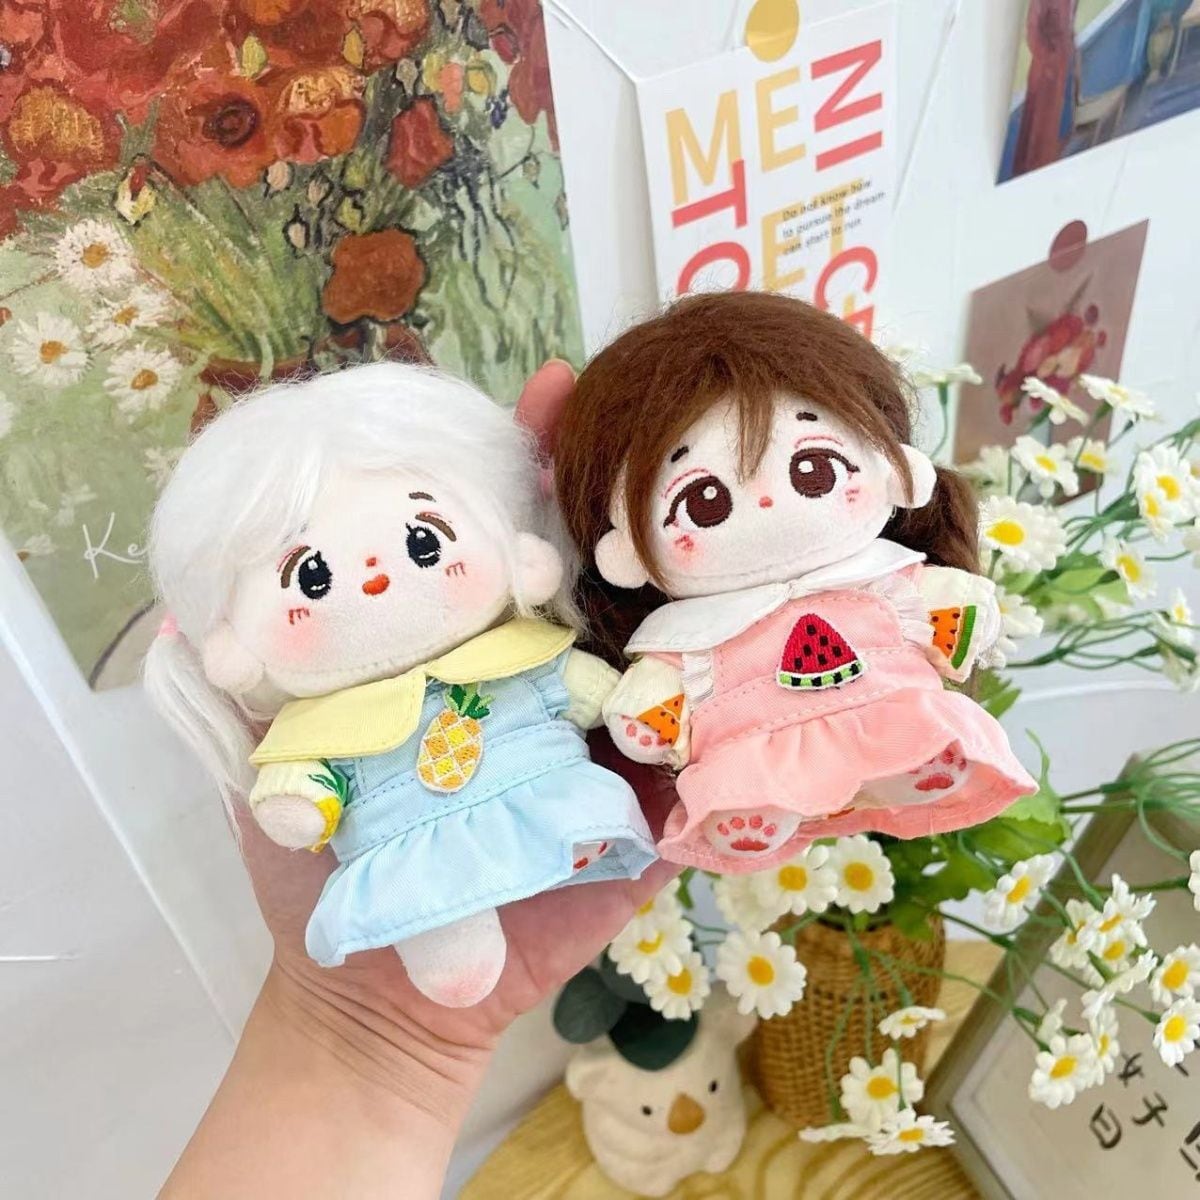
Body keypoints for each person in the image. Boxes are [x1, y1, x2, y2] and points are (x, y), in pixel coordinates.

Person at [160, 365, 678, 1199]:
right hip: (412, 850)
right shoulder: (321, 721)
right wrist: (303, 801)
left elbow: (577, 687)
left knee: (583, 817)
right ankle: (450, 944)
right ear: (233, 647)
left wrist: (625, 704)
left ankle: (565, 851)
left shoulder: (517, 654)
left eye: (424, 543)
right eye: (312, 578)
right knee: (438, 927)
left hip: (545, 793)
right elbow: (309, 779)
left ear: (518, 553)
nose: (374, 579)